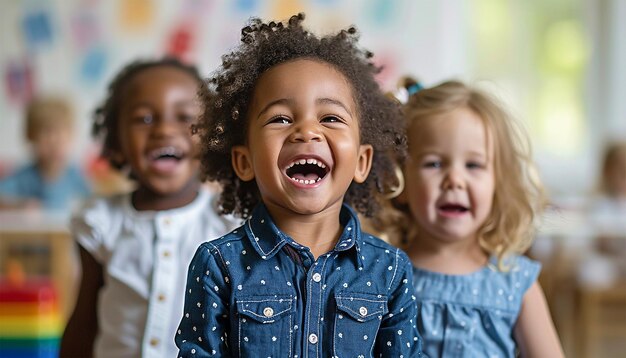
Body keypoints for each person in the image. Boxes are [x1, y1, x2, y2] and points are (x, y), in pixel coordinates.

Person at [176, 14, 423, 357]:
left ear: (362, 162)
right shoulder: (218, 264)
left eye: (330, 118)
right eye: (281, 118)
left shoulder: (390, 269)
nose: (306, 131)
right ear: (244, 161)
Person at [59, 58, 239, 358]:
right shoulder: (101, 222)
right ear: (116, 142)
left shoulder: (227, 224)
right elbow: (83, 322)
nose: (165, 130)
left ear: (211, 137)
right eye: (144, 119)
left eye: (184, 117)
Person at [376, 79, 564, 357]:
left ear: (497, 184)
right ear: (401, 180)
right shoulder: (382, 278)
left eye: (473, 165)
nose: (455, 180)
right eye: (434, 164)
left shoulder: (516, 283)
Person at [0, 95, 91, 211]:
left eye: (60, 135)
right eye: (46, 134)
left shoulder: (76, 176)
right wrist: (19, 206)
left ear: (70, 137)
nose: (53, 142)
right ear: (31, 137)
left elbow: (92, 203)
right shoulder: (24, 178)